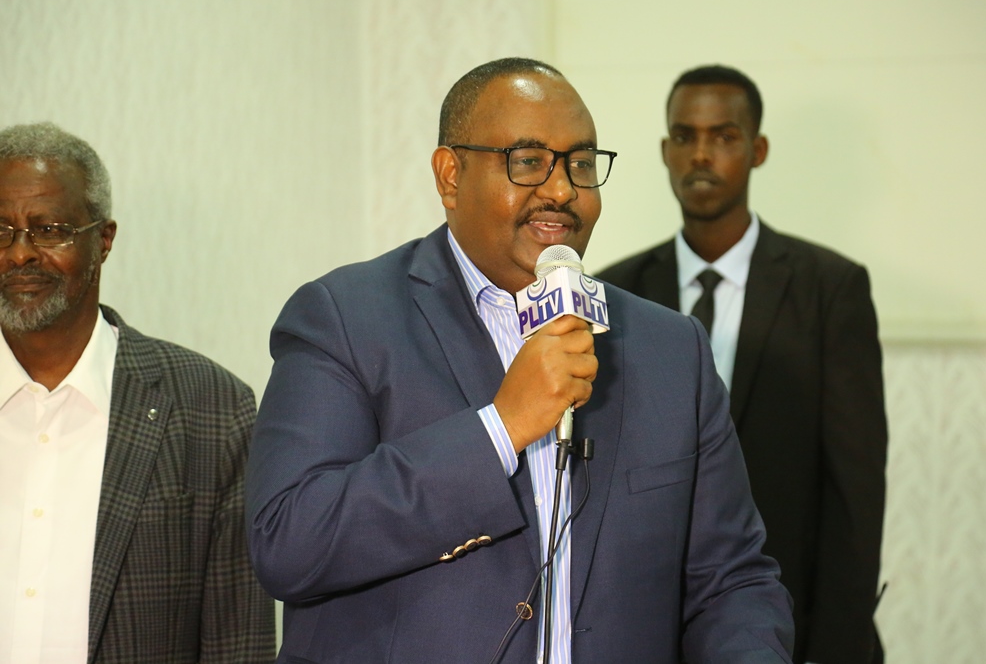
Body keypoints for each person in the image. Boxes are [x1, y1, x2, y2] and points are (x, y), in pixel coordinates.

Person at [246, 57, 794, 664]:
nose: (562, 190)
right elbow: (287, 542)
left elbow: (732, 582)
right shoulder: (343, 318)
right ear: (450, 175)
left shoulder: (672, 349)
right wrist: (501, 428)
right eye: (528, 161)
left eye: (580, 164)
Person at [596, 65, 888, 664]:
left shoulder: (830, 289)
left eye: (724, 136)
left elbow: (854, 493)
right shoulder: (614, 294)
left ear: (758, 150)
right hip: (643, 622)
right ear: (665, 151)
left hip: (786, 621)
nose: (701, 154)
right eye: (685, 136)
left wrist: (836, 644)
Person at [0, 122, 276, 663]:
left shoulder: (211, 409)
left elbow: (238, 641)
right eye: (1, 230)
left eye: (49, 230)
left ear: (103, 240)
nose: (20, 254)